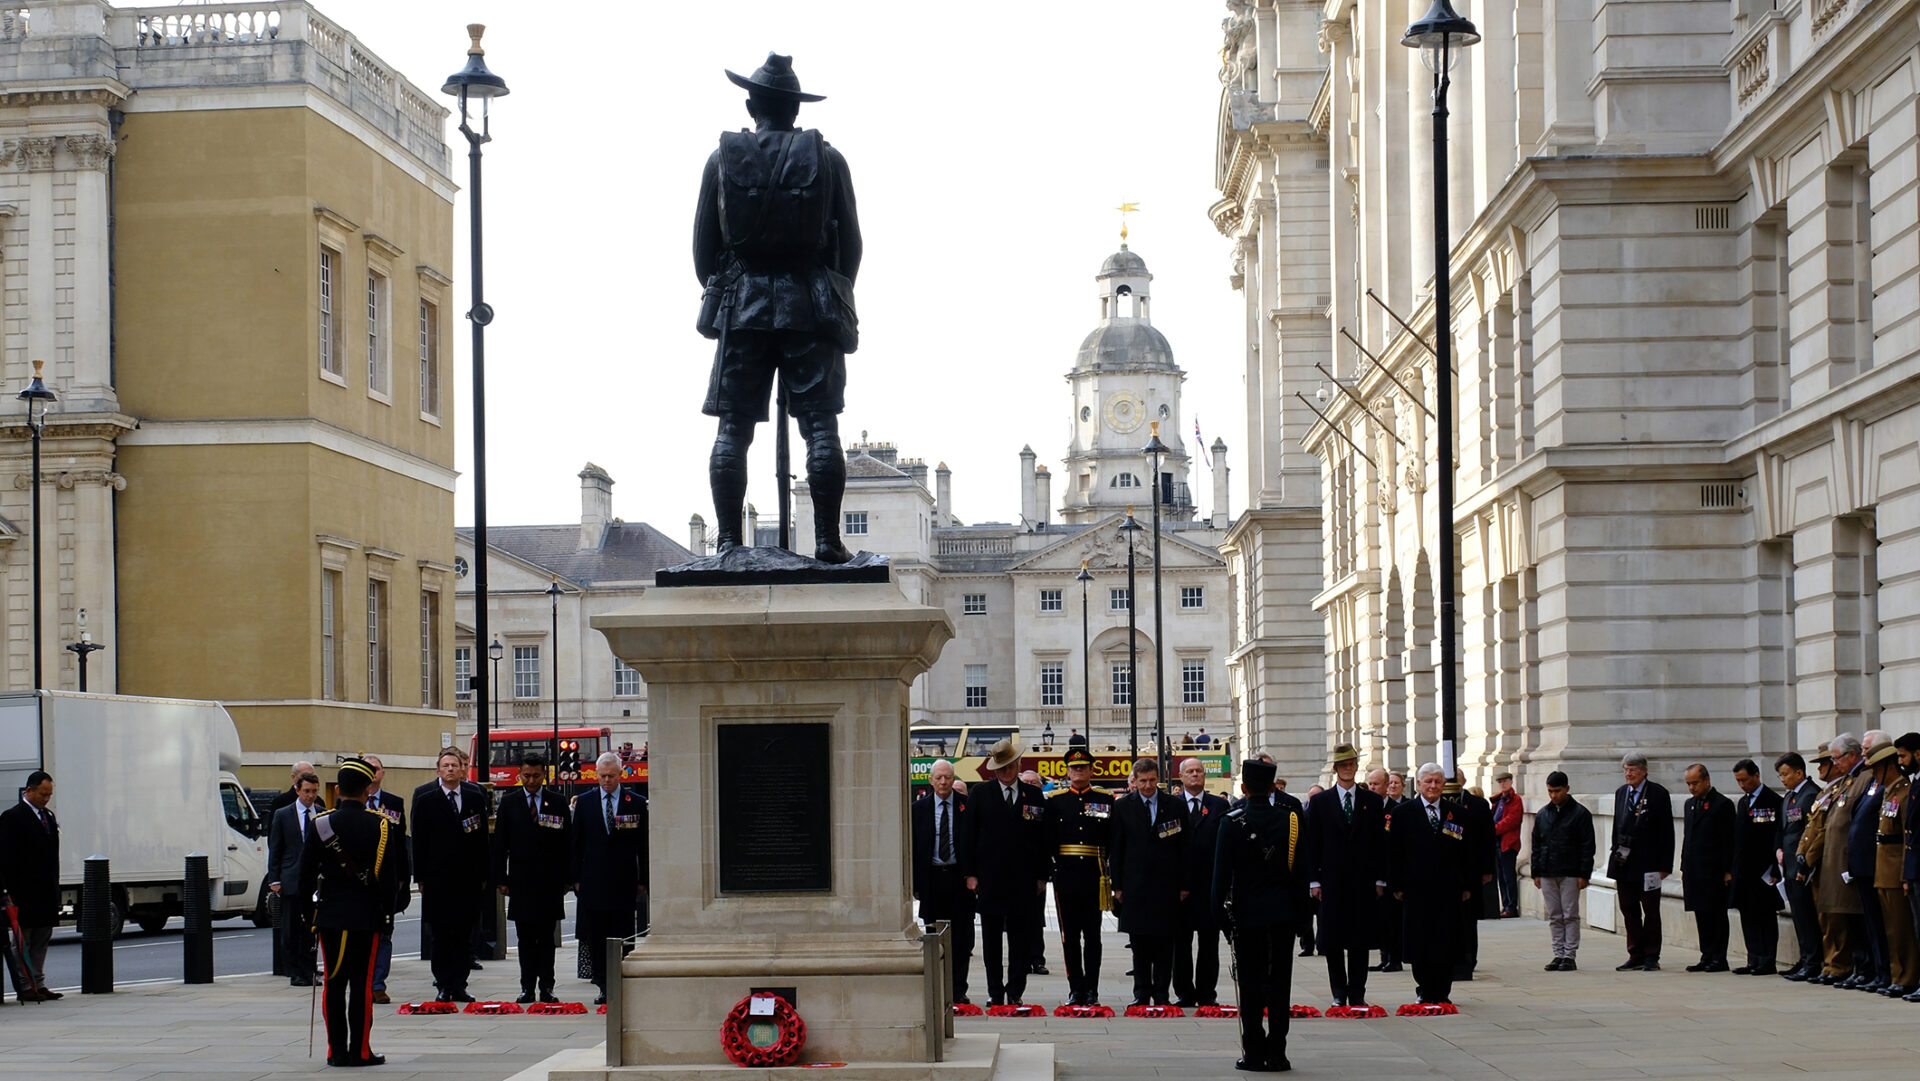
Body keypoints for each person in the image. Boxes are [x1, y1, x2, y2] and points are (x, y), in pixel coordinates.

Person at [693, 53, 863, 562]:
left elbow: (703, 249)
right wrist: (828, 289)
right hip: (809, 301)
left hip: (743, 303)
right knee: (820, 426)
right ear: (794, 108)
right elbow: (851, 246)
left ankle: (727, 540)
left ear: (752, 104)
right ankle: (829, 543)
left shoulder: (721, 160)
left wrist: (733, 283)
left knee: (733, 428)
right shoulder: (828, 159)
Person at [299, 757, 397, 1068]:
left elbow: (303, 876)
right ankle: (362, 1051)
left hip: (329, 917)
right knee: (362, 985)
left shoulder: (321, 823)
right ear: (368, 789)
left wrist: (308, 914)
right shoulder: (380, 824)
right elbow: (388, 879)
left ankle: (335, 1052)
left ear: (339, 789)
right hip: (366, 917)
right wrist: (386, 914)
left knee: (334, 982)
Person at [1211, 757, 1302, 1073]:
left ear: (1244, 787)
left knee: (1250, 985)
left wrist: (1220, 918)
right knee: (1279, 984)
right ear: (1274, 786)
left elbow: (1220, 877)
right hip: (1283, 914)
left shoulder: (1230, 822)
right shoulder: (1290, 819)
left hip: (1247, 915)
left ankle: (1253, 1051)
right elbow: (1299, 873)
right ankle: (1278, 1052)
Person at [966, 738, 1047, 1007]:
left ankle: (1015, 989)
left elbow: (1041, 840)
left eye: (1009, 768)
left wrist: (1041, 875)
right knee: (991, 940)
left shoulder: (1033, 795)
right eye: (1000, 769)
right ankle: (994, 991)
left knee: (1021, 939)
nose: (1006, 773)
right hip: (990, 879)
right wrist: (971, 874)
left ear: (1017, 765)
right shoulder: (980, 793)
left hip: (1023, 880)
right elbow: (969, 837)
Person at [1304, 744, 1386, 1009]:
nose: (1348, 768)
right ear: (1336, 769)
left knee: (1360, 940)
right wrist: (1314, 880)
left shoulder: (1372, 801)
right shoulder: (1320, 801)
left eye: (1351, 763)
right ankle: (1339, 991)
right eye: (1343, 765)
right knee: (1334, 939)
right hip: (1332, 881)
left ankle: (1357, 992)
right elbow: (1312, 843)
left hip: (1363, 881)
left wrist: (1380, 879)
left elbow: (1379, 843)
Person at [1387, 763, 1473, 1004]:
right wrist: (1397, 885)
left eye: (1437, 781)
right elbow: (1394, 853)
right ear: (1420, 784)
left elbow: (1466, 853)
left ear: (1444, 784)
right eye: (1428, 782)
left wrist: (1467, 886)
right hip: (1416, 889)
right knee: (1419, 941)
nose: (1433, 786)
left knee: (1446, 941)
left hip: (1448, 890)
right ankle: (1424, 987)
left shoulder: (1457, 813)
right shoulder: (1403, 813)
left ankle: (1443, 990)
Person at [411, 747, 491, 1002]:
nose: (450, 769)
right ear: (438, 770)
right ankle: (443, 983)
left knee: (464, 934)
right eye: (445, 766)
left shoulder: (474, 796)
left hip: (467, 879)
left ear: (462, 769)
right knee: (442, 935)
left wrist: (484, 873)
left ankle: (460, 983)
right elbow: (419, 842)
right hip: (438, 880)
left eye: (454, 765)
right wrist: (420, 877)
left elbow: (481, 839)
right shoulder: (426, 799)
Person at [494, 754, 572, 1004]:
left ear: (544, 775)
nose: (531, 780)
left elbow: (568, 843)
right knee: (526, 939)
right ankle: (527, 986)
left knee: (547, 940)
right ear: (520, 775)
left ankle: (547, 987)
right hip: (521, 882)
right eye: (526, 775)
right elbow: (500, 845)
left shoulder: (558, 803)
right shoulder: (509, 803)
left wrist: (568, 878)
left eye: (536, 775)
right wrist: (501, 878)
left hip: (550, 883)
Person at [573, 751, 648, 1005]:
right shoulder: (584, 802)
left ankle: (622, 981)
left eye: (611, 776)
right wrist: (575, 878)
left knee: (623, 935)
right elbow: (576, 843)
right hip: (593, 882)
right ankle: (603, 984)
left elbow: (643, 846)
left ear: (620, 774)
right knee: (596, 936)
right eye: (602, 776)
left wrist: (643, 880)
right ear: (596, 775)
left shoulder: (635, 802)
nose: (606, 780)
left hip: (623, 883)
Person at [1109, 758, 1185, 1007]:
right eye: (1143, 781)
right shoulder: (1122, 808)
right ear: (1134, 781)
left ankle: (1161, 993)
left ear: (1158, 778)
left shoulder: (1174, 805)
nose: (1148, 785)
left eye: (1152, 780)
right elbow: (1116, 849)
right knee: (1139, 944)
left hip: (1167, 885)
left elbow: (1186, 847)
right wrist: (1117, 886)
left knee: (1165, 943)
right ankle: (1141, 993)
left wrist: (1184, 884)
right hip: (1135, 885)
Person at [1044, 746, 1114, 1006]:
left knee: (1093, 937)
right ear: (1067, 770)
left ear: (1091, 769)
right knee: (1069, 937)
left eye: (1083, 767)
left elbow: (1111, 839)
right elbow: (1048, 840)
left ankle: (1092, 990)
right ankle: (1075, 988)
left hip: (1094, 877)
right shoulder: (1057, 801)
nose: (1078, 771)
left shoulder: (1105, 800)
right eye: (1074, 768)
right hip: (1067, 877)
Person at [1797, 736, 1863, 985]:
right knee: (1826, 919)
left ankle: (1839, 964)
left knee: (1836, 920)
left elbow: (1826, 830)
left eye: (1826, 762)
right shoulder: (1828, 791)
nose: (1821, 768)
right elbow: (1812, 826)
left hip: (1829, 862)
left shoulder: (1842, 788)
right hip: (1818, 865)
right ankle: (1830, 963)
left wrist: (1809, 857)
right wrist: (1802, 856)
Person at [911, 760, 975, 1004]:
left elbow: (973, 844)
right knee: (934, 937)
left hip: (960, 880)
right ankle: (937, 989)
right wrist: (916, 884)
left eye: (947, 777)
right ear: (930, 780)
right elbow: (914, 848)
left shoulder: (967, 807)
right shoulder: (918, 809)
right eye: (938, 777)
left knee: (962, 938)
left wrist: (973, 875)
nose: (943, 782)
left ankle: (958, 990)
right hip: (932, 881)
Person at [1172, 756, 1230, 1007]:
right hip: (1181, 888)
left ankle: (1207, 994)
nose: (1195, 775)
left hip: (1209, 886)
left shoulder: (1220, 805)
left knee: (1209, 943)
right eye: (1190, 771)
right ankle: (1184, 992)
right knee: (1180, 944)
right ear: (1181, 776)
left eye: (1199, 771)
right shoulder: (1171, 805)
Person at [1609, 751, 1674, 971]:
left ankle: (1651, 955)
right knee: (1628, 908)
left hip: (1649, 862)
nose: (1629, 774)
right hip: (1624, 862)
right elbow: (1617, 825)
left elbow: (1667, 831)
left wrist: (1665, 865)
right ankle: (1634, 952)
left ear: (1644, 771)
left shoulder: (1657, 793)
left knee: (1651, 909)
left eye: (1633, 769)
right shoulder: (1621, 793)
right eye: (1626, 769)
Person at [0, 770, 59, 1001]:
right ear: (29, 790)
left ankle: (38, 982)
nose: (46, 799)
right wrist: (8, 891)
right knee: (23, 940)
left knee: (42, 938)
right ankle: (24, 985)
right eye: (42, 794)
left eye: (49, 795)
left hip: (45, 890)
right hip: (23, 891)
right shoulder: (12, 817)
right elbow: (5, 858)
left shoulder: (49, 817)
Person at [1845, 740, 1899, 991]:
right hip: (1865, 865)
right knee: (1873, 925)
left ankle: (1892, 974)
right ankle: (1880, 972)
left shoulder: (1894, 788)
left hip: (1882, 865)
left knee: (1890, 925)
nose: (1870, 767)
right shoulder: (1873, 784)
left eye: (1874, 761)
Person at [1530, 770, 1595, 970]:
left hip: (1570, 870)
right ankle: (1558, 953)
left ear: (1566, 789)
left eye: (1557, 791)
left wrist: (1584, 874)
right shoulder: (1543, 814)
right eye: (1550, 791)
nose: (1553, 796)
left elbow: (1587, 846)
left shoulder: (1580, 813)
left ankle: (1569, 954)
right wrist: (1536, 872)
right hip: (1549, 869)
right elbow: (1536, 844)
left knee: (1570, 914)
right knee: (1555, 915)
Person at [1727, 758, 1784, 975]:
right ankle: (1753, 957)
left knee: (1766, 917)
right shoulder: (1743, 803)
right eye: (1738, 781)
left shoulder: (1772, 800)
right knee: (1748, 916)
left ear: (1756, 775)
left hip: (1764, 871)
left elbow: (1775, 836)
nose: (1742, 785)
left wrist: (1775, 869)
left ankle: (1767, 960)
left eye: (1745, 779)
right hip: (1744, 871)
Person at [360, 754, 409, 1004]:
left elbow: (400, 843)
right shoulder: (350, 801)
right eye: (367, 769)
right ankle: (362, 981)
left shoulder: (394, 802)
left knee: (385, 933)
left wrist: (403, 877)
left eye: (376, 769)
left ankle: (378, 983)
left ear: (383, 773)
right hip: (359, 879)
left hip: (386, 878)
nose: (372, 773)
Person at [269, 770, 322, 986]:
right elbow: (276, 848)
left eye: (314, 792)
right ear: (298, 790)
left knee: (311, 928)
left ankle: (309, 968)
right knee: (291, 929)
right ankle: (294, 970)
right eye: (307, 791)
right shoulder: (283, 815)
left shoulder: (321, 814)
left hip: (314, 881)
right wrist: (275, 879)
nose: (310, 796)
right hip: (291, 878)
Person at [1680, 764, 1734, 973]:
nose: (1692, 788)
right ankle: (1707, 954)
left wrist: (1728, 870)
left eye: (1695, 783)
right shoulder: (1689, 804)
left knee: (1716, 915)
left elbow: (1728, 840)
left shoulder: (1722, 804)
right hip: (1694, 870)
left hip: (1714, 870)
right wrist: (1684, 866)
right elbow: (1688, 838)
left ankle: (1719, 957)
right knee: (1701, 914)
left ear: (1707, 781)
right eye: (1689, 784)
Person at [1775, 750, 1824, 981]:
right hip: (1790, 866)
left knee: (1807, 917)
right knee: (1798, 917)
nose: (1783, 779)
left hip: (1803, 867)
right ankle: (1805, 958)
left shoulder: (1810, 795)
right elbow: (1784, 830)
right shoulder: (1789, 797)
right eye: (1780, 775)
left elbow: (1810, 831)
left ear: (1799, 772)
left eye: (1786, 774)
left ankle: (1813, 961)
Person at [1874, 743, 1918, 996]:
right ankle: (1897, 974)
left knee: (1903, 930)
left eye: (1876, 769)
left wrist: (1904, 873)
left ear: (1888, 768)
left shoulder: (1903, 792)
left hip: (1896, 870)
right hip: (1883, 869)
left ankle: (1908, 976)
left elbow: (1907, 838)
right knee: (1892, 929)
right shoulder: (1888, 792)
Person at [1018, 768, 1050, 975]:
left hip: (1035, 871)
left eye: (1034, 782)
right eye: (1026, 782)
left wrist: (1043, 876)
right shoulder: (1013, 804)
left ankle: (1037, 959)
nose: (1030, 785)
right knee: (1016, 920)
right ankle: (1020, 959)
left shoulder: (1045, 806)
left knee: (1036, 918)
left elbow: (1047, 843)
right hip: (1014, 871)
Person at [1490, 773, 1523, 917]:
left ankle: (1511, 907)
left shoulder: (1515, 800)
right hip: (1497, 843)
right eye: (1500, 782)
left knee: (1508, 876)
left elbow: (1512, 820)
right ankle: (1505, 905)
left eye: (1505, 781)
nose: (1502, 784)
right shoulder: (1499, 800)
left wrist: (1493, 829)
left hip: (1508, 843)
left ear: (1511, 782)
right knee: (1501, 877)